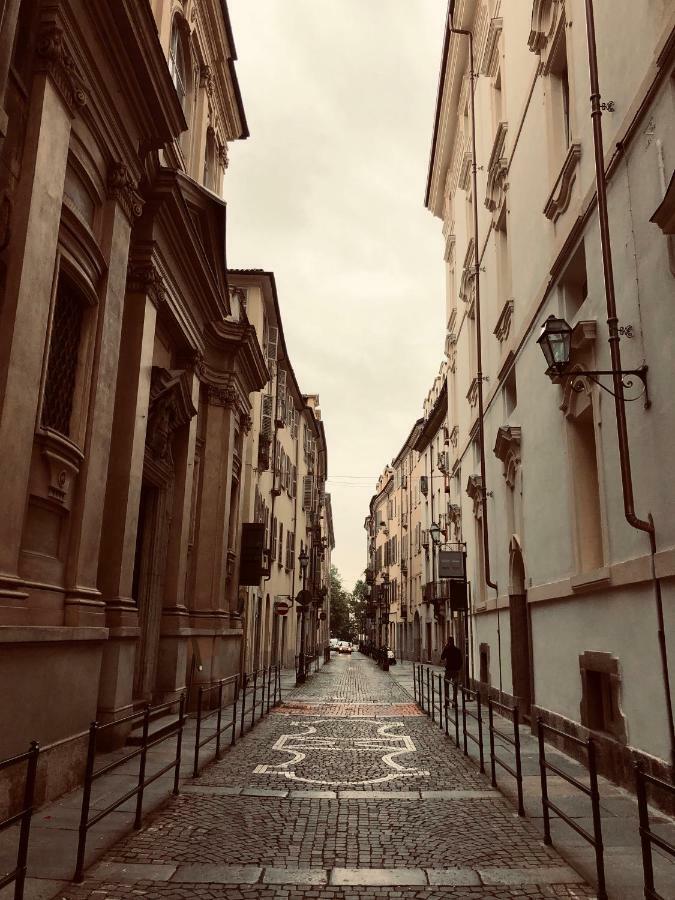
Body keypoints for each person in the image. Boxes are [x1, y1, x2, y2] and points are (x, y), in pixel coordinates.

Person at [441, 636, 462, 709]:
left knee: (446, 686)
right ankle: (454, 703)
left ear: (448, 642)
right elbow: (460, 661)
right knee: (455, 687)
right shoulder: (457, 650)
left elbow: (442, 657)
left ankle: (447, 703)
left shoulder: (447, 649)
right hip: (455, 670)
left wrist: (445, 648)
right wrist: (458, 668)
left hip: (448, 670)